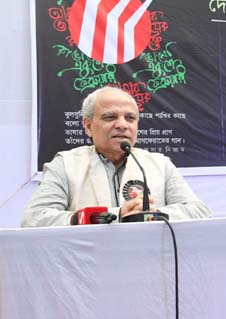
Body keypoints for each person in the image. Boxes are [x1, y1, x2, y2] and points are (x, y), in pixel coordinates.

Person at [22, 86, 211, 227]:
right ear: (88, 126)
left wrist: (150, 214)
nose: (122, 125)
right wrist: (116, 215)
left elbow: (200, 212)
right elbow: (34, 219)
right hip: (88, 267)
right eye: (110, 117)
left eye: (130, 118)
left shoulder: (160, 164)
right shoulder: (65, 164)